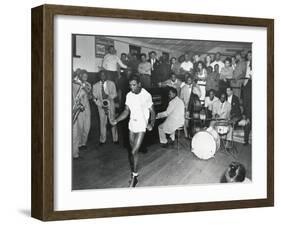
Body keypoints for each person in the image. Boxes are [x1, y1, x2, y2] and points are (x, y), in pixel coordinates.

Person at [111, 75, 156, 187]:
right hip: (132, 124)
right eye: (130, 85)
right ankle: (134, 172)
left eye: (134, 85)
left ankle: (135, 177)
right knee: (133, 152)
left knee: (133, 152)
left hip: (142, 125)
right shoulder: (129, 95)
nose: (132, 87)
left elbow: (153, 111)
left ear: (139, 84)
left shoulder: (146, 95)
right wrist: (116, 120)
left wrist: (151, 123)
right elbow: (126, 111)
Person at [93, 70, 118, 145]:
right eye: (101, 75)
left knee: (112, 121)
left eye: (104, 75)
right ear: (99, 76)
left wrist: (108, 96)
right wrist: (101, 105)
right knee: (102, 123)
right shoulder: (95, 85)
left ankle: (115, 139)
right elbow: (94, 98)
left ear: (106, 76)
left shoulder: (111, 83)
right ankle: (102, 140)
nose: (103, 76)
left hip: (110, 104)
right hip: (101, 106)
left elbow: (115, 94)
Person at [72, 70, 91, 158]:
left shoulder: (87, 84)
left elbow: (89, 95)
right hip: (79, 108)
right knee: (79, 126)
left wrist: (86, 88)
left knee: (87, 126)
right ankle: (79, 144)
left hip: (86, 106)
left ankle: (84, 142)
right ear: (80, 76)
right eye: (83, 76)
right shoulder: (75, 85)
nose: (85, 78)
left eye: (86, 77)